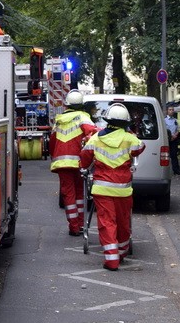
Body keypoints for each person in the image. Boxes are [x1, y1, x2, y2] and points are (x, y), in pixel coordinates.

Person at [80, 103, 145, 271]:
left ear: (107, 120)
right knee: (123, 222)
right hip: (123, 189)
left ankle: (111, 259)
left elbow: (85, 158)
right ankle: (122, 252)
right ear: (125, 123)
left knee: (107, 222)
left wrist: (83, 168)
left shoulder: (95, 138)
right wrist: (128, 132)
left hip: (102, 189)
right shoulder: (129, 139)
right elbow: (140, 147)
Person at [49, 89, 98, 236]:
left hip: (62, 163)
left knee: (68, 195)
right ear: (81, 105)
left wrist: (54, 157)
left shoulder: (58, 121)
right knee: (79, 193)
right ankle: (81, 224)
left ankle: (74, 227)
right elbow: (94, 133)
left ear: (67, 105)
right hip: (78, 162)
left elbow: (52, 143)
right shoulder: (84, 117)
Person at [164, 105, 180, 175]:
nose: (171, 111)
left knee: (174, 155)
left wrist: (175, 135)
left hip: (174, 140)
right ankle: (164, 171)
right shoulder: (164, 120)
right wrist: (171, 135)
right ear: (167, 111)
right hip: (167, 140)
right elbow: (165, 130)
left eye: (172, 110)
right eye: (170, 110)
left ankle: (176, 170)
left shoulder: (175, 120)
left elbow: (178, 129)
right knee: (164, 156)